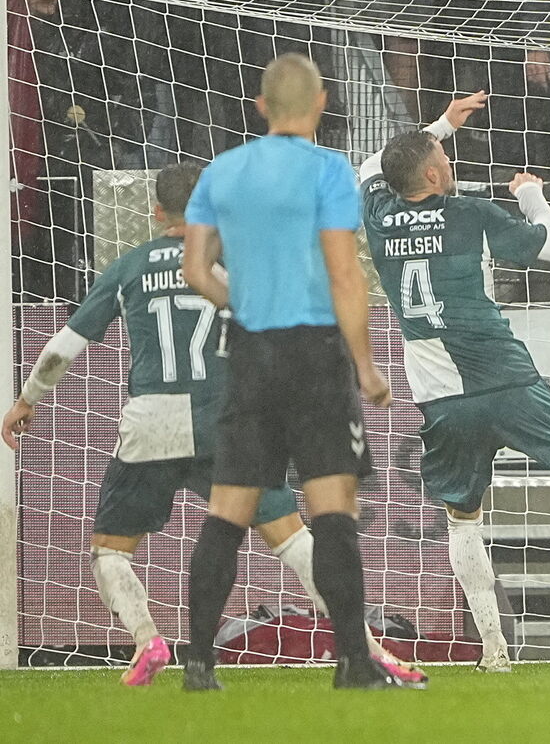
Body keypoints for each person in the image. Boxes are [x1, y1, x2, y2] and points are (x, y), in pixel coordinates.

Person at [1, 163, 419, 688]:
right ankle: (367, 649)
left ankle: (147, 639)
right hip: (227, 421)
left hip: (152, 423)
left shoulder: (127, 268)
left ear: (157, 212)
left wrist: (26, 400)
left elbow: (63, 349)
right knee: (293, 540)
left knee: (110, 549)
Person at [358, 91, 550, 673]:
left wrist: (441, 125)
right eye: (442, 158)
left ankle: (493, 649)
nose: (449, 162)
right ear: (434, 173)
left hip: (443, 399)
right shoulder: (470, 213)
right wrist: (531, 195)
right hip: (506, 377)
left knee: (462, 522)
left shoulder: (379, 216)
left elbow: (372, 166)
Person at [176, 54, 402, 691]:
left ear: (261, 105)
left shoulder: (222, 171)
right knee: (332, 509)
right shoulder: (329, 171)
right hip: (314, 354)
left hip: (250, 353)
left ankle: (199, 663)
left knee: (228, 510)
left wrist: (242, 305)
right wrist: (366, 364)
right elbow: (345, 274)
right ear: (323, 102)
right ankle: (352, 662)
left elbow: (196, 269)